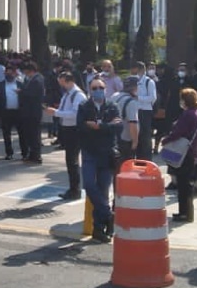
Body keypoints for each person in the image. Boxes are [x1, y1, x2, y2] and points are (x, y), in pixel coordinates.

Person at [78, 77, 122, 242]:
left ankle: (99, 228)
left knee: (103, 190)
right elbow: (81, 127)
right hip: (89, 152)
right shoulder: (84, 106)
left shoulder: (112, 106)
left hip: (107, 153)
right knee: (89, 184)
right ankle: (108, 214)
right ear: (90, 90)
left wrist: (99, 126)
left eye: (101, 87)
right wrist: (105, 126)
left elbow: (118, 126)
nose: (98, 90)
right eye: (94, 87)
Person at [163, 88, 197, 223]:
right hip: (191, 152)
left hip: (185, 153)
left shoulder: (188, 115)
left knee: (183, 185)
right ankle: (186, 212)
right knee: (186, 184)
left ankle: (184, 213)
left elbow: (178, 132)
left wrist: (166, 140)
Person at [46, 71, 85, 201]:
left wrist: (56, 113)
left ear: (69, 81)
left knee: (72, 161)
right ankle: (73, 188)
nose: (61, 86)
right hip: (67, 129)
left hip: (74, 130)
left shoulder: (78, 95)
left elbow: (75, 114)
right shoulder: (68, 94)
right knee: (70, 161)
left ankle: (75, 190)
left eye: (62, 83)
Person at [19, 60, 45, 164]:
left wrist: (21, 92)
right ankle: (32, 154)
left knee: (34, 134)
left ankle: (36, 155)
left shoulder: (37, 80)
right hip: (29, 111)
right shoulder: (31, 79)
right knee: (30, 134)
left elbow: (32, 94)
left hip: (33, 111)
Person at [132, 61, 157, 160]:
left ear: (141, 70)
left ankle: (146, 159)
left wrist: (139, 98)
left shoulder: (148, 82)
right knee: (136, 135)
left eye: (135, 69)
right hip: (135, 111)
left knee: (145, 138)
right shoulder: (133, 81)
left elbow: (152, 98)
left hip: (145, 111)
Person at [115, 75, 141, 161]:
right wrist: (135, 142)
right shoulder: (131, 102)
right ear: (135, 87)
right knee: (125, 169)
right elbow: (133, 123)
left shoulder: (115, 96)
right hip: (125, 140)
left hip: (113, 138)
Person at [0, 65, 22, 160]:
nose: (9, 74)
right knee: (6, 134)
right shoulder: (0, 85)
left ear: (14, 73)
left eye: (11, 72)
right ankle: (9, 153)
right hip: (6, 112)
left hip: (18, 112)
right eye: (7, 73)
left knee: (22, 133)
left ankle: (24, 153)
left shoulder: (20, 84)